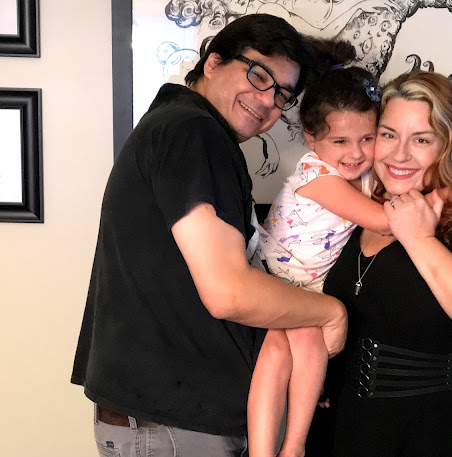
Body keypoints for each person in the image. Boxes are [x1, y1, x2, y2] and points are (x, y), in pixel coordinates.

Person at [70, 14, 349, 457]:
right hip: (176, 427)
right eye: (258, 75)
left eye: (282, 95)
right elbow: (228, 292)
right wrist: (331, 313)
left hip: (164, 421)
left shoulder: (175, 126)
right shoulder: (194, 132)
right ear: (214, 62)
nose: (267, 101)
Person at [306, 71, 452, 456]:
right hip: (347, 424)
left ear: (449, 144)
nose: (399, 154)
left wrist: (419, 238)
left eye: (421, 139)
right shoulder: (360, 207)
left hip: (445, 429)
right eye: (388, 135)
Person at [248, 39, 388, 457]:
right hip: (275, 276)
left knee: (290, 348)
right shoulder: (317, 176)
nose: (356, 153)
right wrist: (434, 206)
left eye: (367, 138)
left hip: (303, 285)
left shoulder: (365, 174)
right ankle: (282, 448)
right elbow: (383, 221)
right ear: (312, 138)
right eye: (340, 141)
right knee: (295, 345)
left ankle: (280, 448)